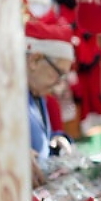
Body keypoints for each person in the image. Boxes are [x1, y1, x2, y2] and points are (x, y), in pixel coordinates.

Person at [26, 18, 74, 186]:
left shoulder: (38, 96)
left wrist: (58, 140)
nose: (59, 85)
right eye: (58, 73)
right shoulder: (4, 93)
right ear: (35, 60)